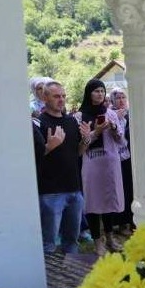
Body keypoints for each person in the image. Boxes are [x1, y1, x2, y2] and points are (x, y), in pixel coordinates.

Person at [75, 79, 126, 256]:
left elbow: (121, 141)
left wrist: (113, 130)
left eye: (102, 91)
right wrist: (96, 132)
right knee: (93, 202)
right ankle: (98, 242)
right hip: (91, 165)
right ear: (89, 93)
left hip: (110, 163)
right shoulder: (80, 117)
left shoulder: (111, 114)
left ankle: (110, 238)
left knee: (109, 201)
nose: (100, 94)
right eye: (96, 91)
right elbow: (80, 148)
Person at [35, 81, 87, 254]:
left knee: (71, 242)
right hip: (50, 192)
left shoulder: (71, 121)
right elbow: (33, 159)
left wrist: (86, 140)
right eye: (56, 96)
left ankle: (71, 279)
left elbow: (78, 152)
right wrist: (49, 147)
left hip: (74, 189)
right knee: (48, 245)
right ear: (44, 97)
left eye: (63, 96)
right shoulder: (38, 123)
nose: (61, 100)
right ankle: (48, 280)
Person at [109, 87, 134, 236]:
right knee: (119, 190)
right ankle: (120, 223)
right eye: (118, 98)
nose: (121, 100)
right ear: (112, 101)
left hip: (131, 158)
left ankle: (131, 221)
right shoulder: (110, 116)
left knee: (130, 189)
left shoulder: (132, 114)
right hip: (115, 158)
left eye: (123, 97)